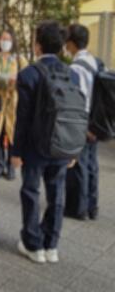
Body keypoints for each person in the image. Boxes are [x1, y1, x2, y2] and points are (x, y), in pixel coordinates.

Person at [11, 21, 80, 265]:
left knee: (31, 192)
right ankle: (51, 245)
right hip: (63, 144)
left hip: (35, 147)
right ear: (61, 47)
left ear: (37, 46)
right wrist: (74, 150)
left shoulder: (28, 74)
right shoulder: (72, 74)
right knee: (57, 194)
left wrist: (16, 151)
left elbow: (22, 118)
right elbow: (76, 112)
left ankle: (33, 245)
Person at [64, 24, 100, 221]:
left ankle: (78, 208)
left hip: (83, 121)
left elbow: (81, 99)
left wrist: (82, 126)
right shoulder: (95, 62)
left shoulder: (76, 68)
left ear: (71, 43)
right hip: (96, 121)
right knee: (92, 164)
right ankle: (92, 206)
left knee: (79, 163)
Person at [0, 29, 27, 180]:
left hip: (13, 101)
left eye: (7, 39)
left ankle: (11, 167)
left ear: (13, 41)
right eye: (2, 39)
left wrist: (14, 81)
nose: (4, 42)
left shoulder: (20, 60)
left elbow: (26, 79)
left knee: (12, 132)